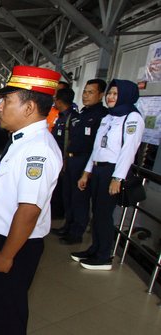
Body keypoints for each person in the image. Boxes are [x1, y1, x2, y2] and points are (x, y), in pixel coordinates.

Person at [0, 65, 62, 335]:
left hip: (13, 243)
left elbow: (29, 210)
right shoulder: (22, 141)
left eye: (8, 101)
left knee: (6, 316)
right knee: (0, 311)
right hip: (3, 237)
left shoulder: (38, 150)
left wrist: (7, 254)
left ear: (29, 108)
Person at [73, 79, 144, 270]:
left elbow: (129, 150)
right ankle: (95, 248)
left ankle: (104, 255)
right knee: (96, 212)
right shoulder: (109, 117)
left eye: (116, 94)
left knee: (104, 214)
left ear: (127, 96)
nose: (111, 97)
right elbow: (97, 148)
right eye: (110, 93)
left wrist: (117, 178)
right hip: (97, 169)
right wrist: (86, 173)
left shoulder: (132, 118)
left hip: (112, 171)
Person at [52, 79, 108, 244]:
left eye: (91, 92)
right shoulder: (81, 114)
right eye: (85, 91)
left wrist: (87, 170)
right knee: (68, 195)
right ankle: (68, 225)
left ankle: (76, 233)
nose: (86, 95)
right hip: (71, 159)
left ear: (101, 95)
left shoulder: (102, 116)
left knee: (80, 198)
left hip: (85, 161)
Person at [48, 88, 76, 223]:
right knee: (58, 188)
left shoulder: (72, 118)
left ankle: (61, 214)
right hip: (57, 156)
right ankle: (56, 211)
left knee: (64, 189)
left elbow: (70, 141)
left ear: (59, 101)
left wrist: (65, 159)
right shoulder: (61, 116)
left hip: (65, 159)